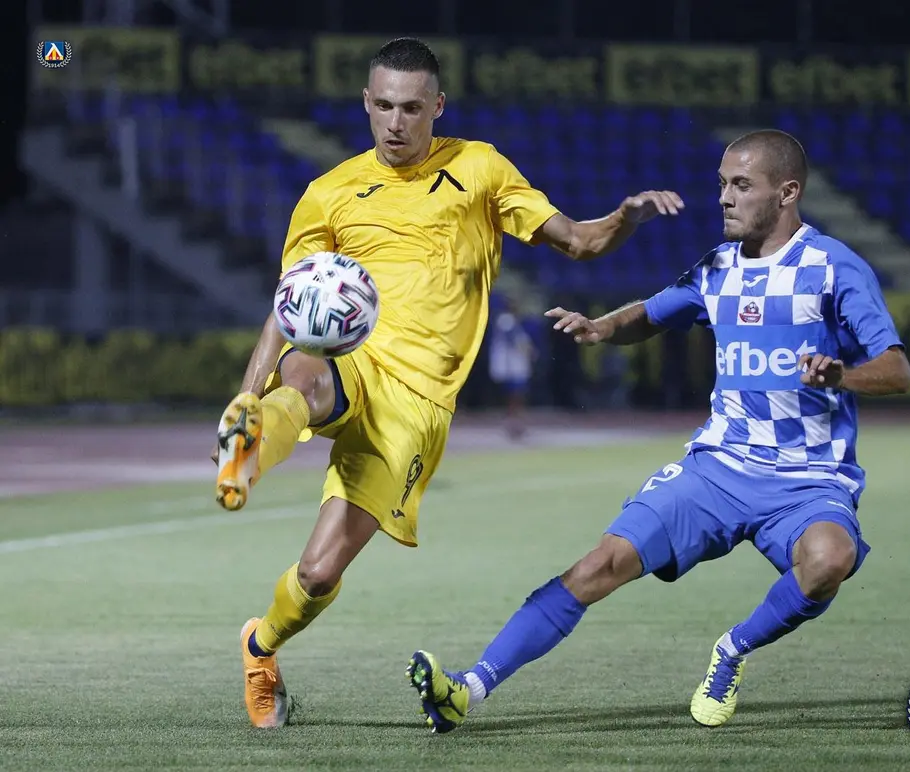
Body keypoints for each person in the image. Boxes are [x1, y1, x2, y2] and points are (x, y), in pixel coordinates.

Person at [211, 36, 683, 729]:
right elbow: (290, 306)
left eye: (411, 108)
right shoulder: (328, 194)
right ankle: (250, 440)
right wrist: (245, 395)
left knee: (318, 574)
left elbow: (579, 241)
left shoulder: (479, 168)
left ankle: (260, 646)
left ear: (437, 106)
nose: (395, 122)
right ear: (365, 104)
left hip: (417, 406)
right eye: (383, 106)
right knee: (305, 374)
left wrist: (627, 217)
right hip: (353, 358)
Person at [407, 129, 910, 733]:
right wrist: (601, 328)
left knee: (829, 560)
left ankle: (732, 650)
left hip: (809, 478)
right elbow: (649, 314)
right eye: (721, 184)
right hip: (718, 468)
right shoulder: (718, 267)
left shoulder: (833, 267)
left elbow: (898, 369)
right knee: (599, 564)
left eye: (741, 185)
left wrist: (843, 375)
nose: (724, 197)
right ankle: (467, 689)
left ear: (787, 193)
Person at [487, 298, 536, 439]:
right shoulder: (506, 320)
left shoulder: (512, 320)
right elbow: (512, 339)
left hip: (514, 364)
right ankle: (513, 422)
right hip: (511, 365)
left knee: (516, 395)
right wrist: (528, 349)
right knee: (515, 395)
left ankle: (514, 421)